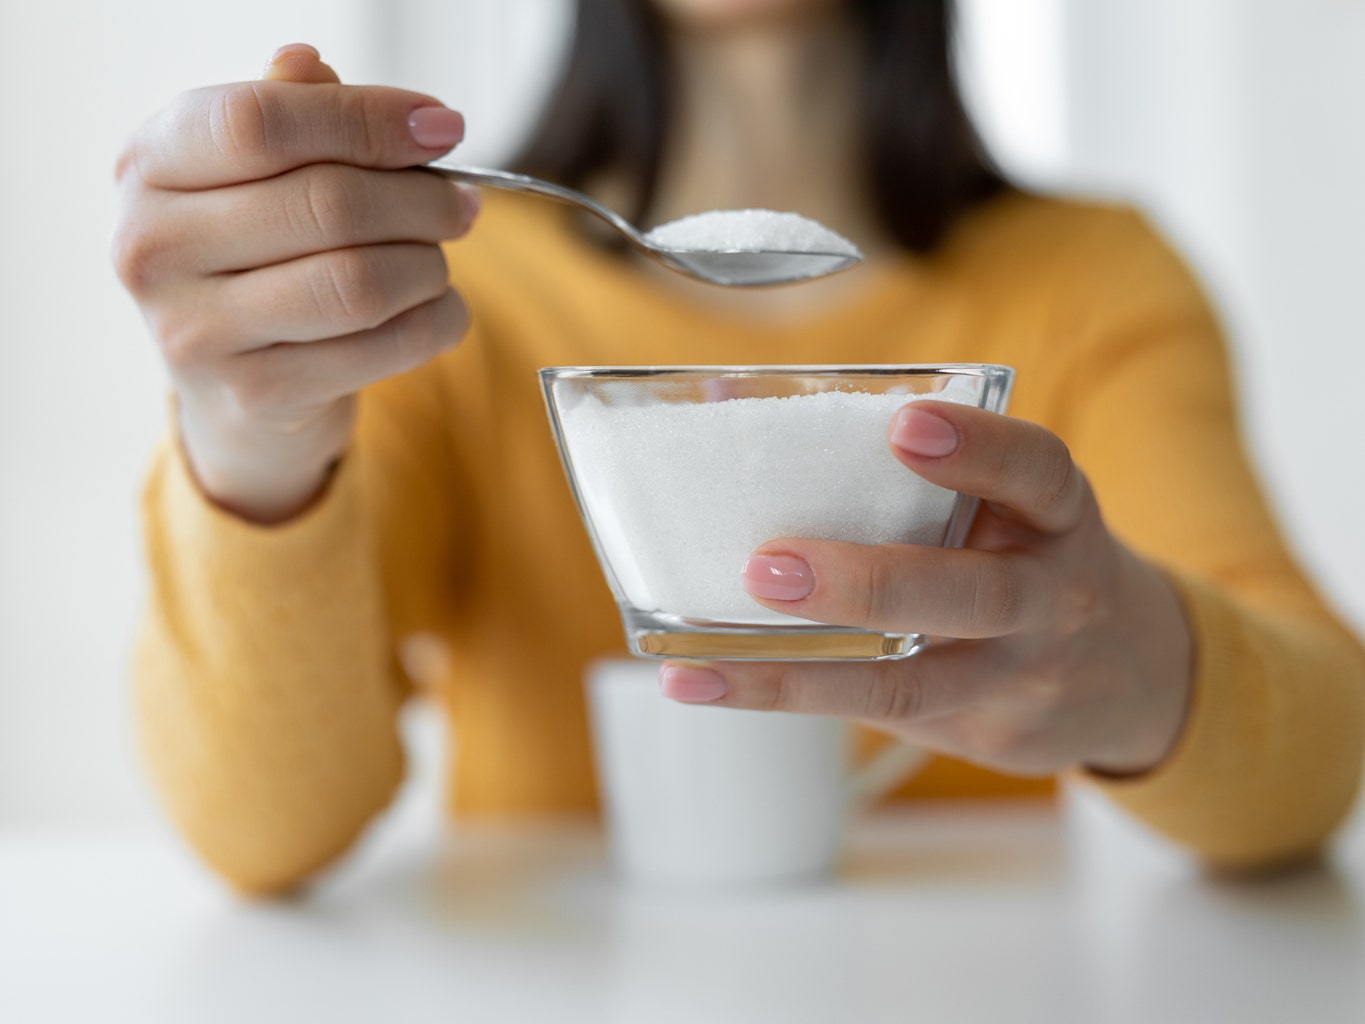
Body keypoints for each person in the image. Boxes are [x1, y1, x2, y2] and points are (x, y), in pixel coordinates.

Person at [114, 0, 1365, 895]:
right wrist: (250, 428)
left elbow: (1322, 757)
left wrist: (1144, 664)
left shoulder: (1096, 283)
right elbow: (262, 832)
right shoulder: (432, 299)